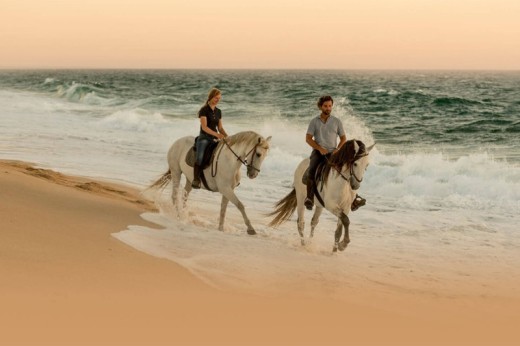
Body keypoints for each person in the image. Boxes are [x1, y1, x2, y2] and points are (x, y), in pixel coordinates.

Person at [304, 95, 347, 210]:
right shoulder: (314, 122)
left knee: (346, 170)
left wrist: (338, 149)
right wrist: (319, 148)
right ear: (320, 107)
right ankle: (309, 198)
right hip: (318, 152)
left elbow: (343, 138)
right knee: (312, 171)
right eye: (325, 106)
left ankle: (352, 199)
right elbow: (308, 138)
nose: (328, 108)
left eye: (330, 106)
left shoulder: (337, 122)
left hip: (333, 152)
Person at [192, 88, 228, 189]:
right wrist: (217, 135)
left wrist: (227, 136)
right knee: (199, 158)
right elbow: (204, 127)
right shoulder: (204, 110)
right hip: (204, 138)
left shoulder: (219, 111)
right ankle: (196, 179)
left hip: (214, 138)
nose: (218, 100)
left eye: (219, 98)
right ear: (211, 97)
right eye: (216, 98)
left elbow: (220, 128)